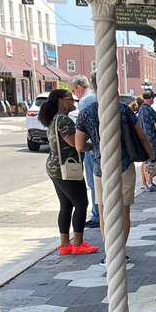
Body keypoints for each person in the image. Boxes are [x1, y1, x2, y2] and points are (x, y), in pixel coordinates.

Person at [74, 87, 154, 262]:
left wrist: (95, 147)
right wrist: (151, 157)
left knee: (104, 212)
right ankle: (121, 251)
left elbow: (79, 146)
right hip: (124, 164)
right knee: (124, 211)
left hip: (100, 167)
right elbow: (141, 136)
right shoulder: (123, 109)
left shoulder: (86, 113)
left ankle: (110, 252)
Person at [40, 88, 98, 257]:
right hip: (67, 168)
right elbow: (74, 143)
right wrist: (92, 144)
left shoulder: (53, 120)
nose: (73, 101)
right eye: (69, 99)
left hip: (54, 167)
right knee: (81, 203)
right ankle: (78, 244)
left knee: (66, 205)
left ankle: (65, 244)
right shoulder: (64, 120)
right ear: (60, 101)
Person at [70, 76, 99, 229]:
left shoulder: (85, 101)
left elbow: (84, 129)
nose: (74, 94)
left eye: (74, 90)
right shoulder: (94, 97)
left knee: (94, 182)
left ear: (79, 87)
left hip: (93, 149)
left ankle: (97, 214)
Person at [135, 92, 156, 192]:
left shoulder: (141, 109)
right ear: (149, 99)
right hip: (151, 138)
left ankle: (145, 183)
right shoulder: (149, 109)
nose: (153, 100)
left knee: (145, 161)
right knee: (151, 161)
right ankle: (149, 182)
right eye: (152, 98)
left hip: (143, 137)